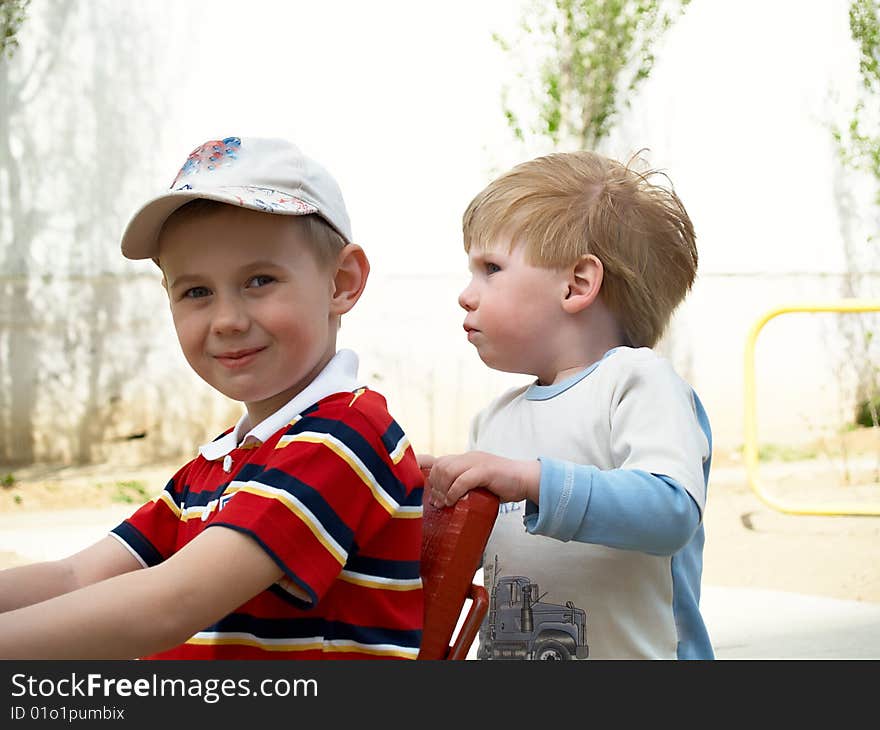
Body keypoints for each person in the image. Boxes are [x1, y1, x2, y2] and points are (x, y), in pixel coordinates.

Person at [0, 136, 424, 660]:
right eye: (196, 291)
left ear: (341, 281)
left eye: (259, 280)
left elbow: (169, 606)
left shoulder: (343, 437)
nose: (226, 321)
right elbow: (76, 576)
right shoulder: (220, 462)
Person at [422, 150, 713, 660]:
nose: (466, 296)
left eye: (491, 268)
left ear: (577, 284)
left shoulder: (638, 382)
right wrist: (428, 504)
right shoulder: (493, 422)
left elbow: (671, 511)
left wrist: (533, 480)